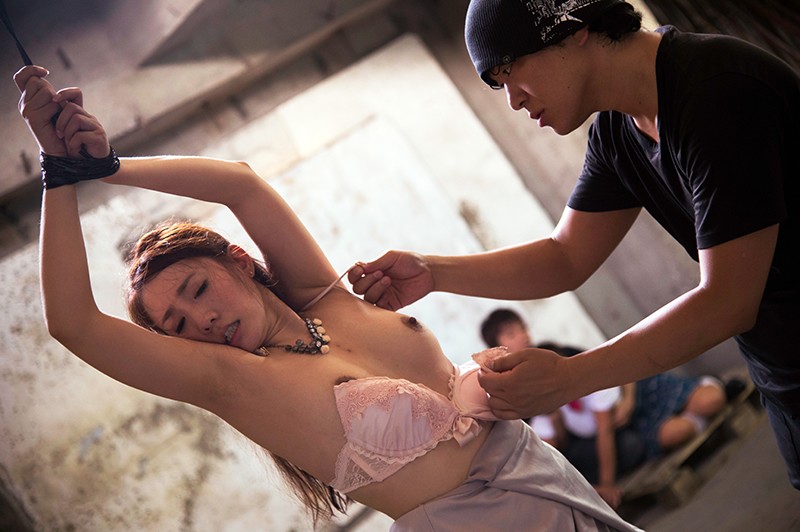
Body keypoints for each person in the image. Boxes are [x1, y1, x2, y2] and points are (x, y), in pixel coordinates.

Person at [15, 65, 646, 531]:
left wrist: (111, 168)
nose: (201, 320)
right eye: (178, 326)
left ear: (239, 260)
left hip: (550, 479)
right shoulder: (236, 382)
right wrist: (60, 173)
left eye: (198, 289)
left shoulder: (326, 299)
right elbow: (73, 323)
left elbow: (241, 186)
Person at [349, 0, 799, 489]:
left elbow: (728, 300)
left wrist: (569, 378)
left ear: (574, 27)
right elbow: (564, 257)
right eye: (498, 84)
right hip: (781, 369)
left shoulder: (716, 93)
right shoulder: (618, 132)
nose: (513, 101)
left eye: (510, 69)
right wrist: (433, 272)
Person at [480, 308, 725, 508]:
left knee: (710, 400)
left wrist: (628, 399)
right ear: (496, 348)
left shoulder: (558, 355)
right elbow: (552, 446)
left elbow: (610, 368)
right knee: (675, 433)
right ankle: (691, 416)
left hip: (636, 395)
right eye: (511, 334)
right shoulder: (520, 395)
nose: (523, 336)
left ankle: (708, 390)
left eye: (522, 328)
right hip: (624, 427)